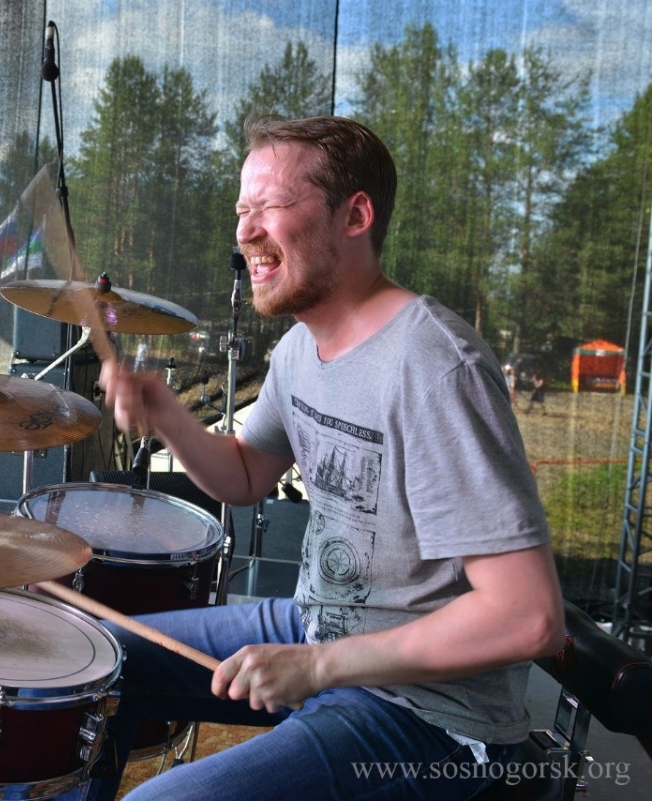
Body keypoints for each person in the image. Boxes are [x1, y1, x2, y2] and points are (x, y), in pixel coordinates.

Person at [89, 116, 564, 801]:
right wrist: (166, 413)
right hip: (317, 629)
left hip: (432, 717)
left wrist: (317, 666)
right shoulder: (298, 349)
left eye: (270, 206)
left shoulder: (435, 368)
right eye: (242, 210)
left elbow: (527, 616)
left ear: (355, 216)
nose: (245, 231)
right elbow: (246, 474)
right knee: (95, 662)